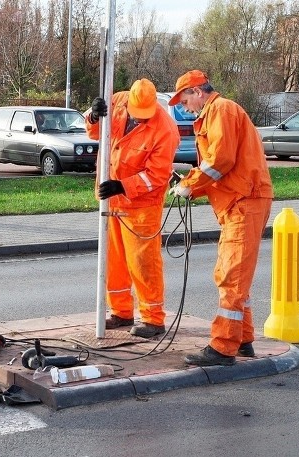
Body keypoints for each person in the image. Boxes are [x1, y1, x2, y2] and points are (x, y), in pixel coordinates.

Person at [168, 70, 274, 366]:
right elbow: (219, 167)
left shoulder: (221, 110)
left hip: (244, 201)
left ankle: (224, 346)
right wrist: (190, 183)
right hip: (241, 200)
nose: (183, 107)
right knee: (236, 276)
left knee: (231, 276)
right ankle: (243, 339)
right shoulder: (218, 113)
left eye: (184, 99)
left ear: (197, 92)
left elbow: (220, 162)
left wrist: (189, 186)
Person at [85, 78, 180, 338]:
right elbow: (94, 131)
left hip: (142, 207)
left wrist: (122, 186)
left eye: (143, 117)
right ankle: (121, 311)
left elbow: (157, 176)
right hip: (112, 199)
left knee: (143, 262)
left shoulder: (165, 130)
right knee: (113, 259)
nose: (138, 121)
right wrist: (94, 115)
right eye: (135, 116)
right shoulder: (117, 101)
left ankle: (153, 319)